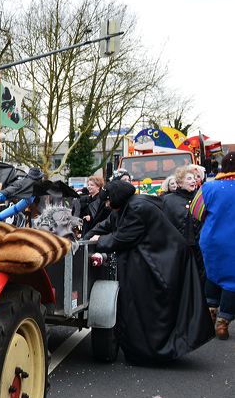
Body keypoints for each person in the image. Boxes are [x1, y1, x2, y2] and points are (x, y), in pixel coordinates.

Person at [86, 180, 212, 362]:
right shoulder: (127, 206)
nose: (106, 205)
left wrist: (99, 240)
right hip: (156, 257)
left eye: (107, 201)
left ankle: (152, 351)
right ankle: (144, 349)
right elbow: (107, 225)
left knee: (149, 306)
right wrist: (86, 238)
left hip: (164, 262)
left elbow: (122, 238)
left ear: (116, 199)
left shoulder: (137, 208)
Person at [191, 152, 235, 339]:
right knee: (232, 281)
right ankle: (223, 322)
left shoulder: (209, 187)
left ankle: (210, 312)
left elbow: (196, 211)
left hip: (212, 240)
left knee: (212, 274)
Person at [162, 166, 204, 279]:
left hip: (199, 248)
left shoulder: (200, 197)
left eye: (194, 178)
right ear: (180, 183)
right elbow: (164, 224)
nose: (193, 181)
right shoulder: (169, 200)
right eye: (189, 178)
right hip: (178, 249)